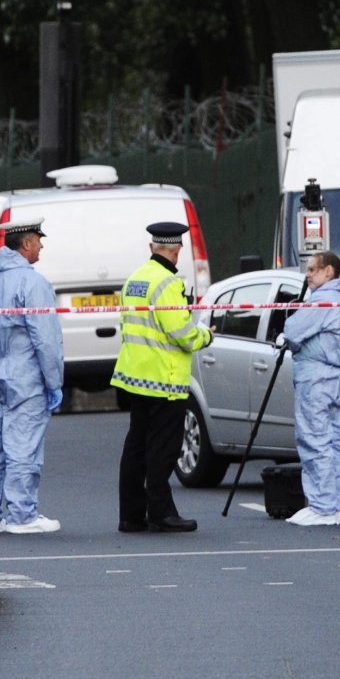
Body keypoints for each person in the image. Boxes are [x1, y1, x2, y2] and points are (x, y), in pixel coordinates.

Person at [111, 221, 213, 533]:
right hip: (165, 380)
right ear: (177, 250)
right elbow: (181, 333)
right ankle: (161, 511)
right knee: (163, 449)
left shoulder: (135, 280)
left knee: (136, 447)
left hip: (135, 376)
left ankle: (131, 514)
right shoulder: (168, 283)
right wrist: (205, 336)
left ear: (152, 248)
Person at [0, 218, 64, 535]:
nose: (41, 246)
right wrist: (54, 382)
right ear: (25, 244)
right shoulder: (33, 283)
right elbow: (46, 340)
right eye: (38, 240)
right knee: (23, 445)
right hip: (24, 375)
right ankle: (23, 516)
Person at [282, 251, 340, 526]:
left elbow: (292, 331)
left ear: (329, 272)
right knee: (331, 441)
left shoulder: (324, 300)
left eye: (313, 269)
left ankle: (323, 506)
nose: (308, 274)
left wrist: (293, 326)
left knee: (315, 439)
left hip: (317, 379)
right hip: (335, 378)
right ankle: (332, 504)